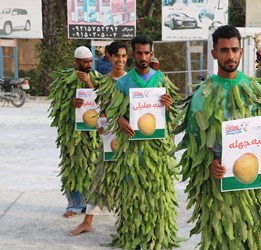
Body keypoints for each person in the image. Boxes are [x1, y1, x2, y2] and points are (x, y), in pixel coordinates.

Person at [176, 25, 261, 248]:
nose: (230, 55)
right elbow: (195, 143)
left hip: (251, 185)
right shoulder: (202, 95)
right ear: (214, 54)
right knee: (220, 240)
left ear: (241, 52)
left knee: (252, 238)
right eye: (224, 50)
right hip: (218, 185)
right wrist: (209, 163)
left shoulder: (252, 89)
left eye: (234, 49)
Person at [105, 35, 180, 249]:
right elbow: (112, 110)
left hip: (156, 150)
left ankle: (157, 237)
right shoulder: (123, 83)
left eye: (147, 53)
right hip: (132, 148)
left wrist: (168, 106)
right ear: (133, 55)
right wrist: (120, 120)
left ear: (152, 54)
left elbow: (172, 117)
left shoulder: (161, 80)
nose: (143, 57)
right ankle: (133, 236)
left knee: (157, 192)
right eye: (139, 53)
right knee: (133, 193)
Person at [69, 41, 128, 236]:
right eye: (116, 56)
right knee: (100, 178)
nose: (120, 60)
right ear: (109, 57)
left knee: (127, 181)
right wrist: (100, 121)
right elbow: (97, 107)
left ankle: (127, 223)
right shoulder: (103, 82)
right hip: (108, 138)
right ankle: (87, 221)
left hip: (128, 140)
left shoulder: (131, 81)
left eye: (124, 56)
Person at [48, 46, 100, 218]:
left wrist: (88, 83)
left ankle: (92, 205)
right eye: (85, 62)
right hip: (72, 135)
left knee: (92, 167)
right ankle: (75, 205)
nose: (89, 64)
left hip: (92, 134)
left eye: (91, 61)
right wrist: (70, 104)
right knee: (73, 168)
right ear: (76, 62)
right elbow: (56, 107)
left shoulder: (97, 78)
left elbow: (102, 100)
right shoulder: (64, 80)